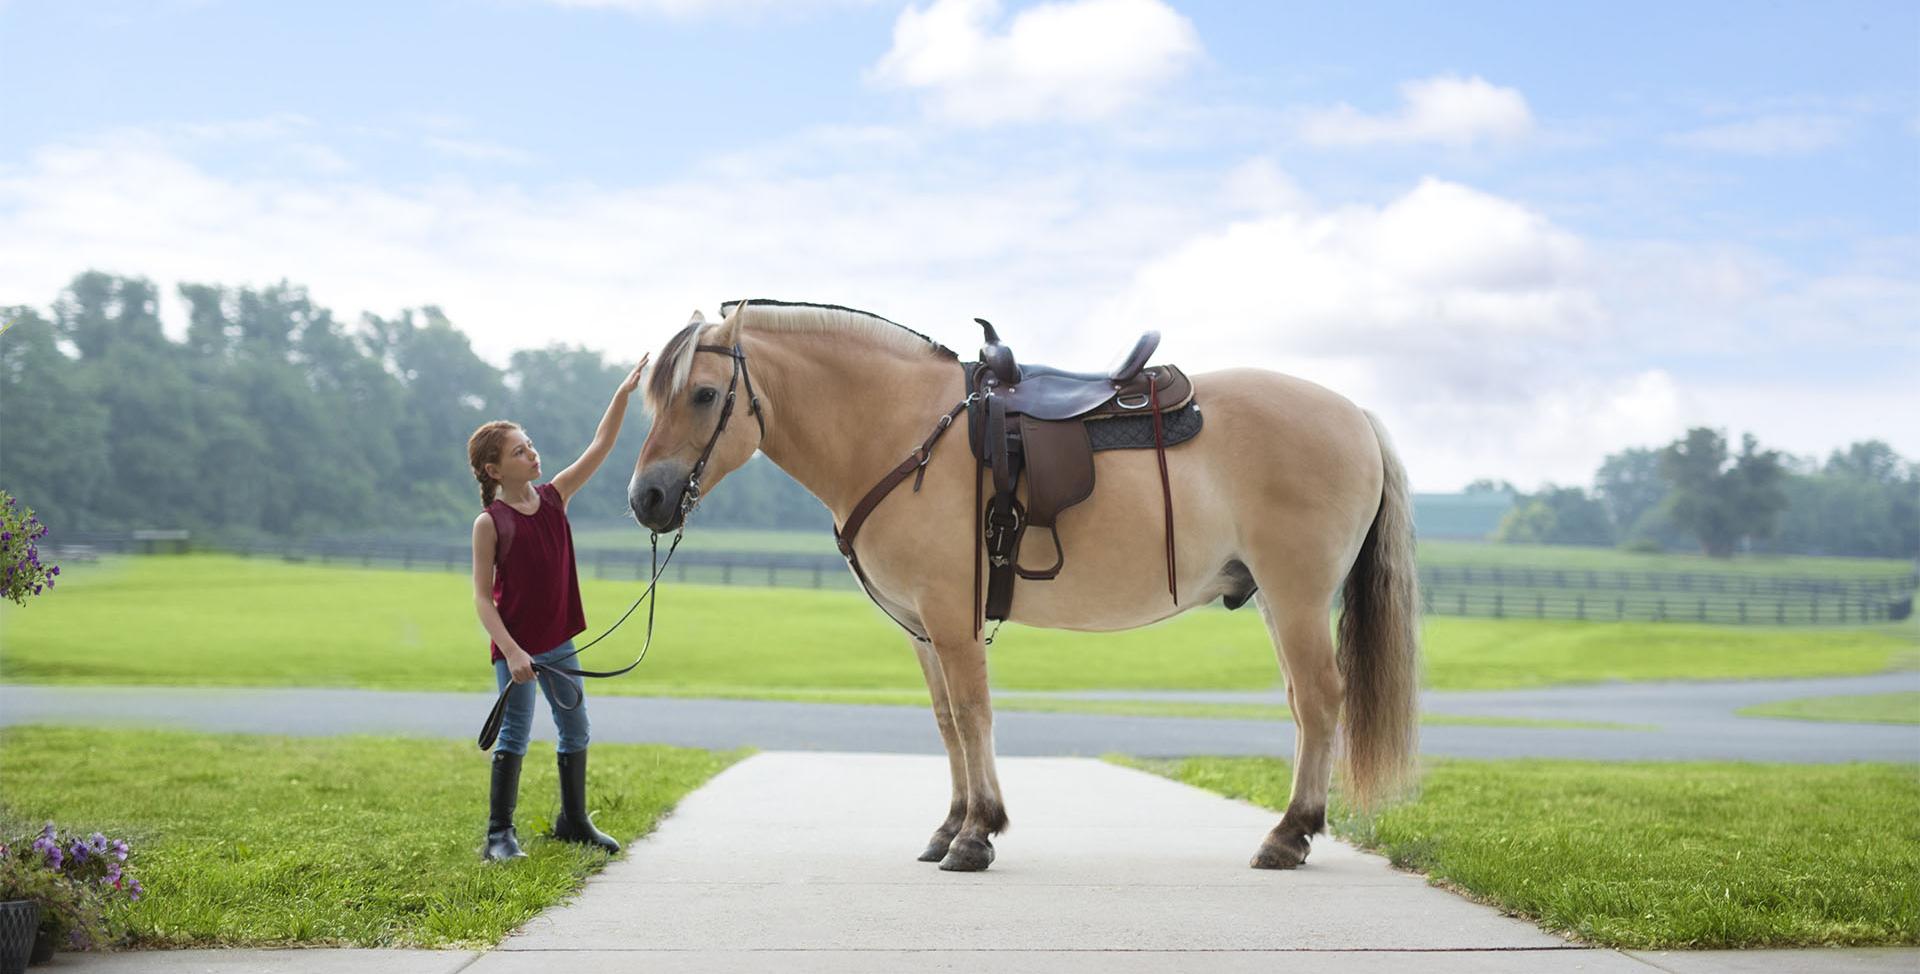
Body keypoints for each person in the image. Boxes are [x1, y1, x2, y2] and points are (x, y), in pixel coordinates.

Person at [466, 355, 648, 861]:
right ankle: (498, 835)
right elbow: (483, 598)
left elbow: (601, 446)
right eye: (519, 452)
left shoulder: (555, 497)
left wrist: (622, 395)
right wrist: (513, 653)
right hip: (517, 650)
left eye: (530, 447)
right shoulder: (490, 523)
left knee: (575, 728)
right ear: (493, 469)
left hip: (558, 641)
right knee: (515, 734)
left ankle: (574, 820)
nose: (532, 455)